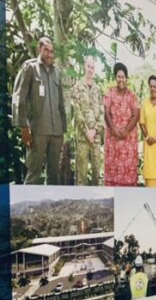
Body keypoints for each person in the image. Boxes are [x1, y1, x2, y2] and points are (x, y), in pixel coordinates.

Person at [12, 36, 66, 185]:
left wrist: (63, 130)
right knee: (33, 174)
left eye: (52, 51)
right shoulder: (30, 68)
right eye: (46, 50)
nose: (50, 54)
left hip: (56, 133)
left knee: (53, 176)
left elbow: (60, 103)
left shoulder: (57, 72)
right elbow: (19, 97)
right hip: (37, 132)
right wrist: (24, 127)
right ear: (39, 49)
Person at [103, 62, 140, 187]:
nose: (121, 79)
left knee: (128, 175)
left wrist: (126, 130)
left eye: (123, 77)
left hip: (128, 140)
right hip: (113, 140)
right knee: (112, 174)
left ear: (126, 78)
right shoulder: (109, 93)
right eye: (118, 76)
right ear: (115, 78)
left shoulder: (132, 95)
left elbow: (136, 115)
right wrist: (113, 129)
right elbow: (106, 112)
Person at [70, 56, 105, 185]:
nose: (90, 69)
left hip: (96, 139)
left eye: (92, 67)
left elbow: (102, 112)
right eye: (88, 66)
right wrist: (87, 131)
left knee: (97, 174)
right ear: (85, 67)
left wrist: (95, 130)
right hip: (82, 138)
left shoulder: (97, 90)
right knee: (82, 176)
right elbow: (77, 111)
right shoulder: (78, 87)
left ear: (95, 69)